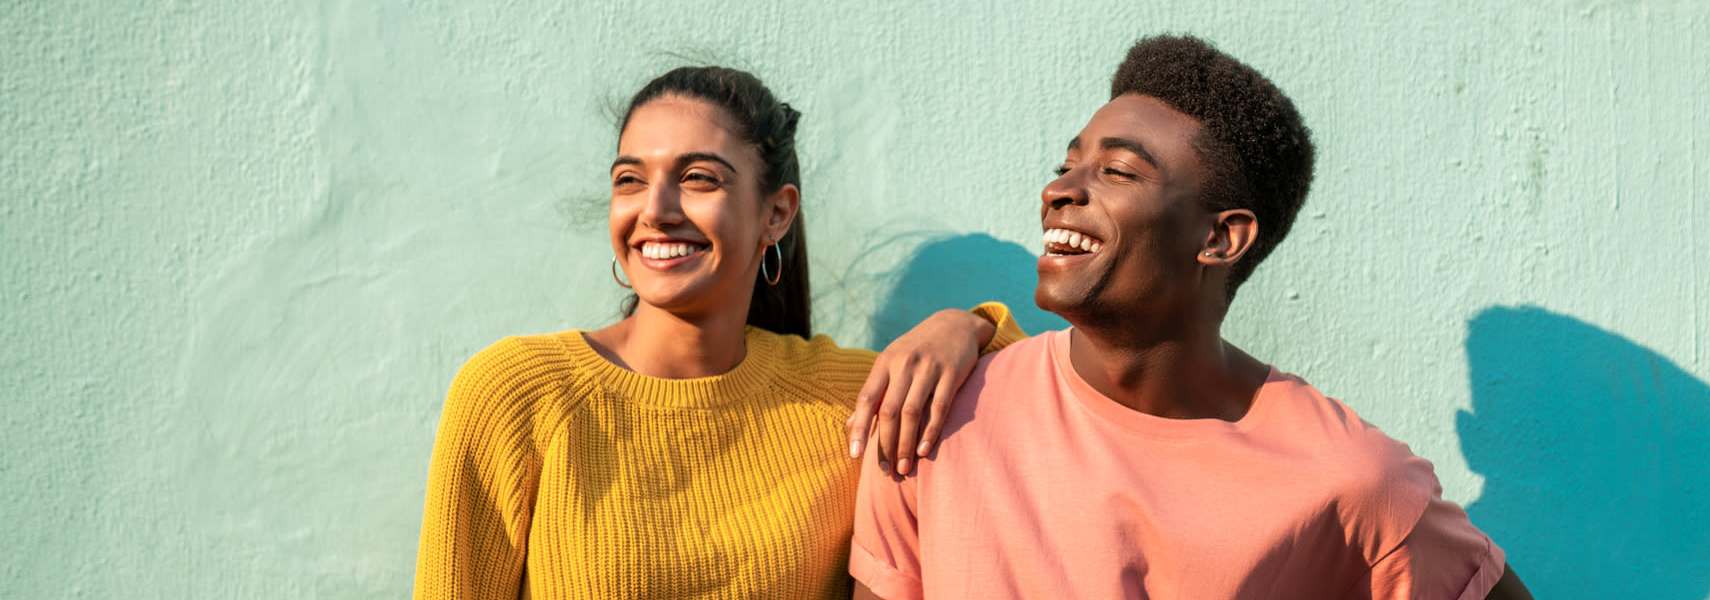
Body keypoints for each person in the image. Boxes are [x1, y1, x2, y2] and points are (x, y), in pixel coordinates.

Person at [849, 36, 1533, 599]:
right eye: (1067, 165)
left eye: (1118, 172)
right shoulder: (935, 417)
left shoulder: (1354, 482)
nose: (1060, 191)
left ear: (1220, 239)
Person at [413, 65, 1025, 599]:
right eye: (629, 179)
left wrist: (969, 326)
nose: (655, 209)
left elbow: (1049, 411)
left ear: (776, 213)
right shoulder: (517, 393)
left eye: (699, 177)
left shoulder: (847, 399)